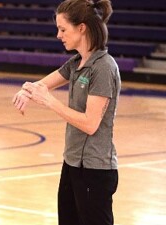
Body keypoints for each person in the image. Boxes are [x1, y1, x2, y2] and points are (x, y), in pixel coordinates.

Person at [12, 0, 119, 225]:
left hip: (95, 169)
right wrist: (27, 91)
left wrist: (50, 102)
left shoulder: (103, 67)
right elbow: (42, 84)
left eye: (63, 29)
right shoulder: (77, 63)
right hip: (72, 165)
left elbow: (90, 124)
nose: (58, 35)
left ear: (81, 28)